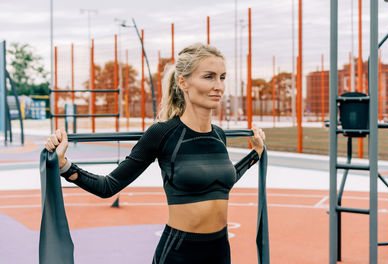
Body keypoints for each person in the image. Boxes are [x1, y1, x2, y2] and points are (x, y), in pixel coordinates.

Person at [44, 43, 265, 264]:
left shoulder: (218, 135)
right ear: (183, 82)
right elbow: (108, 186)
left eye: (222, 77)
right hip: (179, 253)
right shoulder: (162, 133)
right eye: (209, 77)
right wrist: (64, 166)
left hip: (220, 252)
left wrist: (254, 154)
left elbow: (221, 182)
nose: (219, 86)